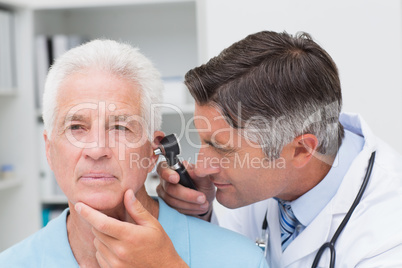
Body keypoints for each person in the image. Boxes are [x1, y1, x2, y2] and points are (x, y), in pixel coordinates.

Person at [0, 39, 268, 268]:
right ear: (49, 149)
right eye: (76, 127)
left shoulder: (240, 259)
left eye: (120, 127)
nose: (96, 150)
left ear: (154, 151)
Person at [157, 31, 402, 267]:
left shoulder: (389, 234)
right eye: (203, 141)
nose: (200, 167)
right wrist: (202, 215)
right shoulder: (259, 182)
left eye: (221, 148)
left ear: (301, 150)